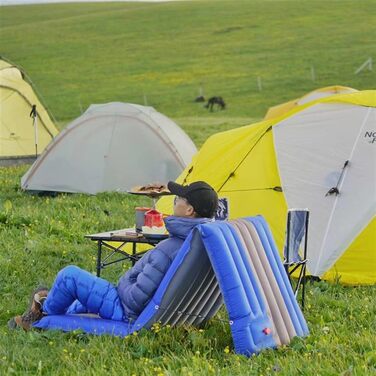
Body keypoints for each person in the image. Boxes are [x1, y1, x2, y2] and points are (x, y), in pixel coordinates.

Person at [9, 181, 218, 330]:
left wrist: (121, 286)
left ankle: (41, 313)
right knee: (83, 297)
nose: (174, 201)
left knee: (70, 275)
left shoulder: (169, 249)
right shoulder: (200, 243)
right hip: (146, 309)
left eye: (179, 198)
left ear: (190, 210)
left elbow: (136, 299)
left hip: (126, 309)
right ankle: (47, 301)